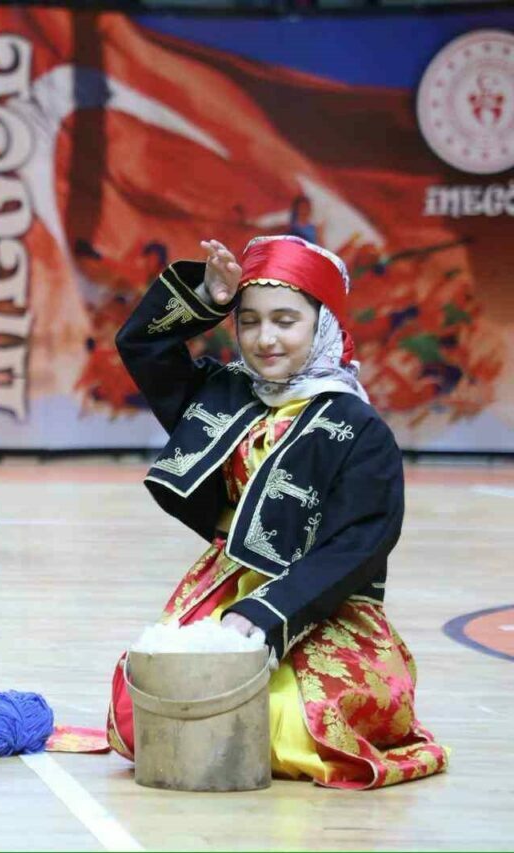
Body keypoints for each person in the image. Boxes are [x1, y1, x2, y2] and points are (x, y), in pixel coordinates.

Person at [104, 235, 449, 788]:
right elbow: (143, 344)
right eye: (249, 322)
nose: (265, 339)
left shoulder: (360, 430)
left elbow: (358, 545)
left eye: (285, 321)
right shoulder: (222, 394)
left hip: (323, 602)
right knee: (141, 708)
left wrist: (263, 616)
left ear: (322, 323)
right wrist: (208, 297)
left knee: (289, 724)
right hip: (223, 587)